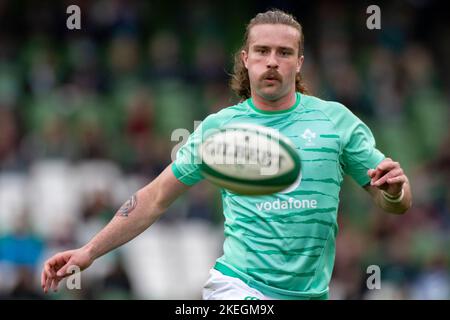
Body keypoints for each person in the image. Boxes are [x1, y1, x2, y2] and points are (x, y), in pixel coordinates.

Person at [41, 9, 412, 300]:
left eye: (284, 53)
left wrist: (395, 191)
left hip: (310, 293)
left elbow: (393, 201)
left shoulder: (336, 121)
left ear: (298, 62)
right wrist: (89, 251)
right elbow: (154, 197)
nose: (272, 61)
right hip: (238, 288)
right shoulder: (220, 130)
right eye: (263, 51)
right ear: (246, 58)